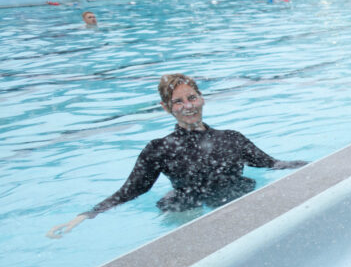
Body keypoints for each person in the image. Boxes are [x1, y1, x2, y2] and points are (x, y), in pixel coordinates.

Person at [47, 74, 307, 238]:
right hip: (187, 209)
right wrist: (87, 215)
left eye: (192, 98)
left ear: (202, 99)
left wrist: (314, 166)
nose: (188, 106)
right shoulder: (160, 148)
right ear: (166, 108)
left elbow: (273, 164)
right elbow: (130, 191)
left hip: (234, 200)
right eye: (178, 102)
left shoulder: (232, 138)